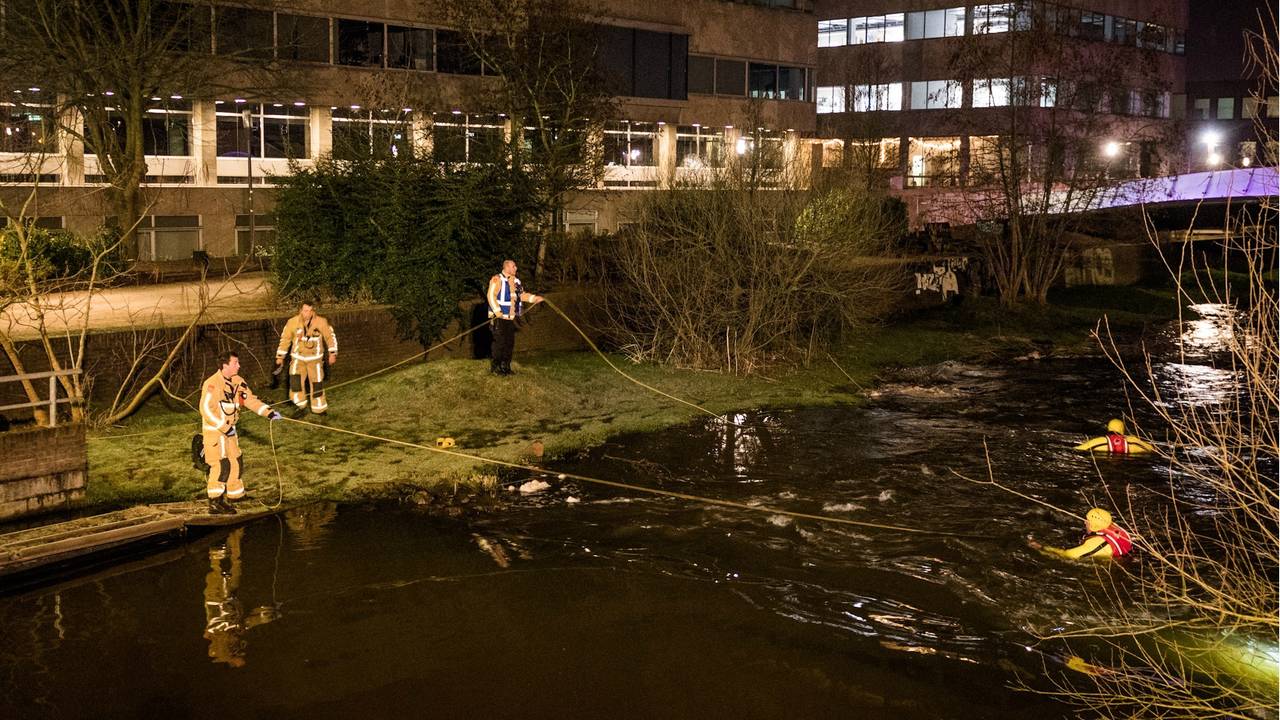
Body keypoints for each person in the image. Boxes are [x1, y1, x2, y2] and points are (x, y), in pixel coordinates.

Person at [200, 350, 281, 514]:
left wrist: (268, 412)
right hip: (216, 432)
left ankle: (235, 494)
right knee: (221, 465)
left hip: (230, 431)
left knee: (236, 460)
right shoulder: (212, 384)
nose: (239, 365)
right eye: (235, 363)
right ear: (225, 365)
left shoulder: (238, 381)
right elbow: (205, 410)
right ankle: (215, 502)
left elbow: (249, 399)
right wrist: (224, 427)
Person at [275, 300, 338, 414]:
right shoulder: (292, 322)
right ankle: (300, 406)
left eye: (310, 311)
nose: (307, 313)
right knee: (295, 384)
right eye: (305, 310)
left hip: (315, 361)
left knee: (317, 384)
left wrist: (332, 353)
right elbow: (285, 339)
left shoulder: (322, 322)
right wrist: (280, 356)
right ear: (300, 310)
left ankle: (319, 409)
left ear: (313, 311)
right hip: (298, 359)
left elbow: (330, 337)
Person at [485, 259, 543, 375]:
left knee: (509, 343)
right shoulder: (497, 279)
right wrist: (497, 312)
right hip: (498, 318)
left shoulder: (516, 281)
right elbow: (491, 295)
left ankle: (505, 367)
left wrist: (534, 298)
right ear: (506, 267)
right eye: (513, 266)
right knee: (499, 343)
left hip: (510, 318)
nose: (516, 268)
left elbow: (521, 295)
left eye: (515, 266)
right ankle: (496, 368)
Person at [1028, 508, 1133, 559]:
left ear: (1093, 525)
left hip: (1122, 562)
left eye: (1087, 520)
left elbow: (1068, 555)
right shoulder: (1112, 527)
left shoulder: (1095, 543)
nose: (1085, 522)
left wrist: (1042, 548)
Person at [1074, 418, 1157, 454]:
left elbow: (1078, 449)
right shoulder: (1133, 441)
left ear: (1108, 429)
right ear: (1123, 430)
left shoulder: (1099, 441)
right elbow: (1153, 449)